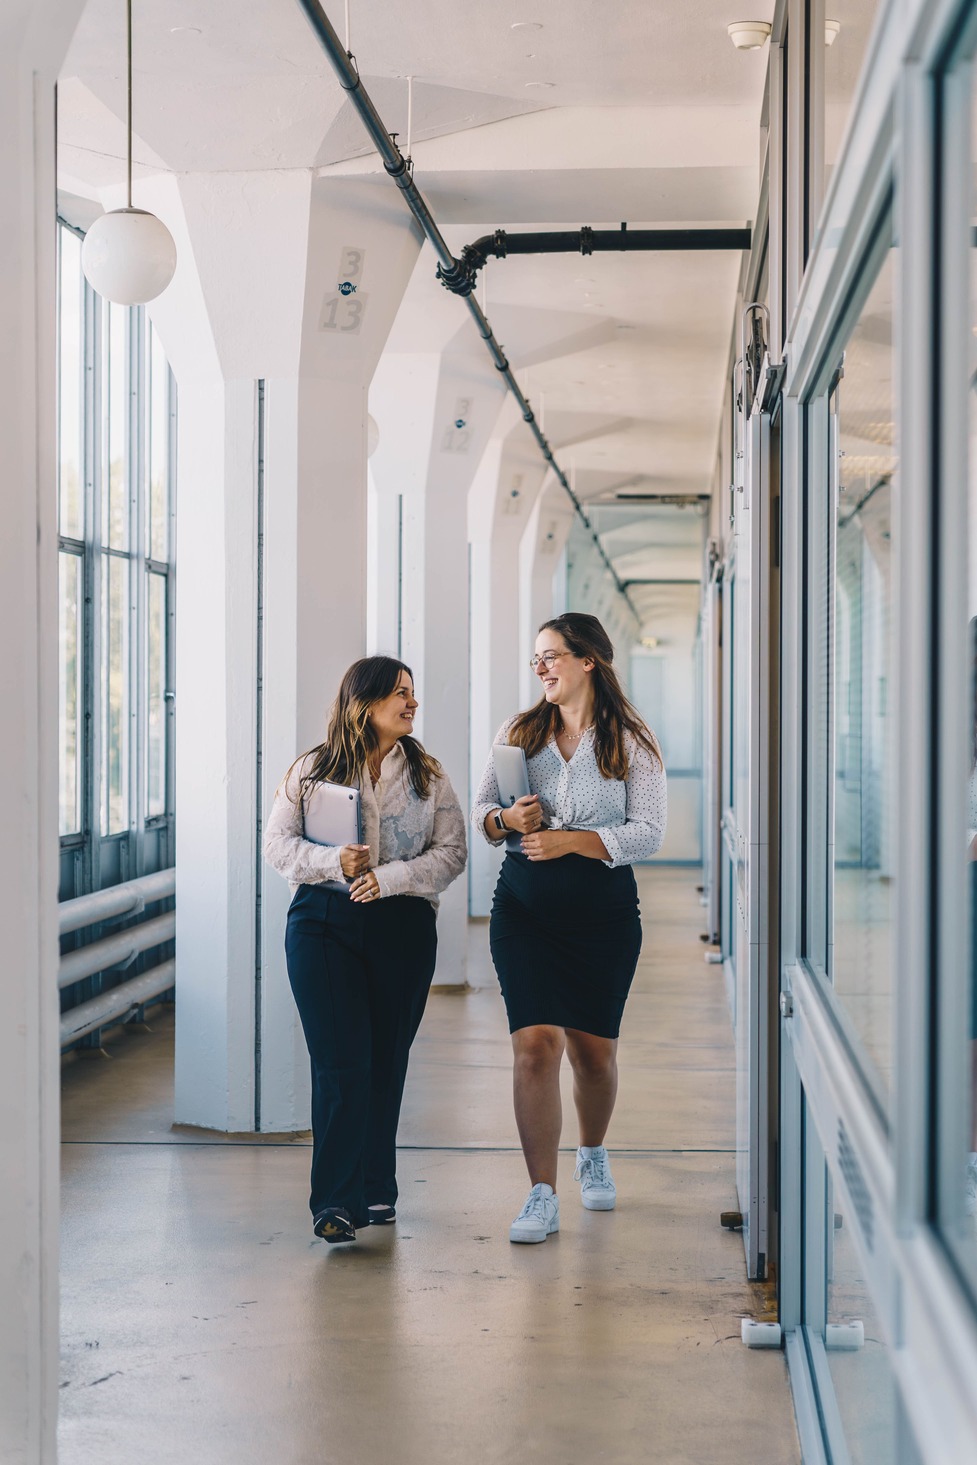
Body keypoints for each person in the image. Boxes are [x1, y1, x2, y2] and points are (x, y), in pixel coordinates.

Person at [471, 612, 667, 1244]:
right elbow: (482, 815)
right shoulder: (519, 732)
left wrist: (573, 841)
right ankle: (541, 1193)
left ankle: (592, 1152)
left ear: (589, 661)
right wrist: (508, 817)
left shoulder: (631, 739)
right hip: (524, 910)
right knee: (535, 1046)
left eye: (552, 656)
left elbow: (649, 832)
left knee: (593, 1053)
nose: (542, 668)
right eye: (537, 660)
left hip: (603, 917)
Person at [264, 656, 467, 1244]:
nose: (412, 703)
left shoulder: (428, 773)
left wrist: (392, 876)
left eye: (413, 693)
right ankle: (334, 1202)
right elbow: (277, 844)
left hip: (402, 925)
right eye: (400, 694)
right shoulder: (312, 769)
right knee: (340, 1063)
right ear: (365, 702)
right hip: (323, 922)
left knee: (385, 1062)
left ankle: (377, 1187)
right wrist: (334, 861)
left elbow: (451, 853)